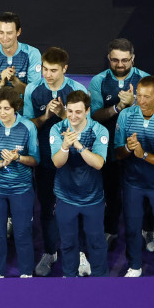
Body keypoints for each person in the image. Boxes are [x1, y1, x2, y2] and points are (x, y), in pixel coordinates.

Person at [23, 47, 86, 275]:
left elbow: (85, 126)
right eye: (44, 69)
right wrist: (46, 116)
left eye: (53, 70)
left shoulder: (76, 90)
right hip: (45, 162)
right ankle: (50, 252)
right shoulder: (33, 89)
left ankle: (80, 253)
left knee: (77, 205)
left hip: (73, 160)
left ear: (65, 69)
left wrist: (62, 116)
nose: (47, 74)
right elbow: (28, 125)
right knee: (47, 208)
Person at [114, 76, 154, 277]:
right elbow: (118, 153)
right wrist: (128, 147)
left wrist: (143, 154)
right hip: (133, 183)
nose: (141, 101)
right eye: (139, 96)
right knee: (132, 227)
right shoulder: (126, 116)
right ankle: (134, 266)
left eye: (147, 97)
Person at [90, 39, 149, 251]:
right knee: (111, 192)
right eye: (115, 60)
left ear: (133, 58)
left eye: (125, 60)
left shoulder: (144, 79)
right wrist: (118, 106)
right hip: (109, 149)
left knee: (142, 192)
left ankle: (148, 229)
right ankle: (111, 230)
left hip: (138, 147)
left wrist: (134, 103)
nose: (120, 64)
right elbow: (95, 115)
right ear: (109, 59)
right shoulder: (99, 81)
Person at [0, 88, 39, 278]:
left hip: (21, 189)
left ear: (16, 109)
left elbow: (35, 160)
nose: (2, 113)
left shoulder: (28, 127)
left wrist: (18, 158)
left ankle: (26, 273)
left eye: (6, 108)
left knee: (22, 232)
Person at [50, 91, 110, 277]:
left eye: (78, 112)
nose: (73, 116)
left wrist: (79, 146)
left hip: (92, 198)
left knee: (97, 243)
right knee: (67, 244)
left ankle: (100, 280)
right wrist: (64, 146)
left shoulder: (99, 130)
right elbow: (57, 163)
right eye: (70, 111)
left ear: (88, 111)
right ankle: (69, 277)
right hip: (66, 198)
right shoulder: (57, 129)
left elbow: (99, 163)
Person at [0, 11, 43, 96]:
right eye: (1, 32)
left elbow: (34, 94)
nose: (5, 38)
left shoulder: (32, 54)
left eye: (9, 33)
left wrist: (15, 81)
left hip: (23, 108)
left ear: (18, 32)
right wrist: (1, 83)